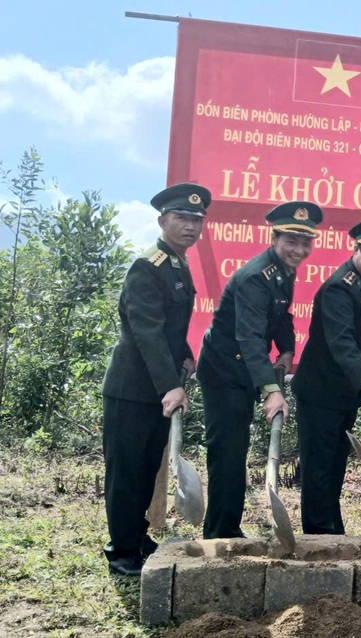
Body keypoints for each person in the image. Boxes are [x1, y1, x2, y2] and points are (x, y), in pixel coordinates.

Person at [101, 182, 210, 576]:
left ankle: (136, 535)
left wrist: (185, 356)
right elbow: (145, 331)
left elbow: (170, 330)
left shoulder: (178, 264)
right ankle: (121, 552)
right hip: (132, 391)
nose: (190, 226)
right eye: (181, 218)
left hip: (156, 390)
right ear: (163, 221)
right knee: (127, 471)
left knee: (147, 468)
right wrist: (170, 385)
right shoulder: (148, 267)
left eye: (197, 220)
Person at [197, 201, 322, 540]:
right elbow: (249, 337)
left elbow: (282, 316)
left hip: (246, 367)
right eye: (291, 241)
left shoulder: (283, 270)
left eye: (305, 242)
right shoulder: (256, 276)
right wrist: (272, 390)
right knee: (228, 451)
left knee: (236, 447)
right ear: (275, 237)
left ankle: (226, 527)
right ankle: (220, 534)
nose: (299, 250)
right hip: (224, 370)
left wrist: (286, 349)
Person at [290, 216, 361, 535]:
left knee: (335, 465)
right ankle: (317, 537)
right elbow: (342, 342)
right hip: (320, 394)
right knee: (319, 469)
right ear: (357, 250)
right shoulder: (339, 288)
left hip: (341, 395)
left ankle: (331, 528)